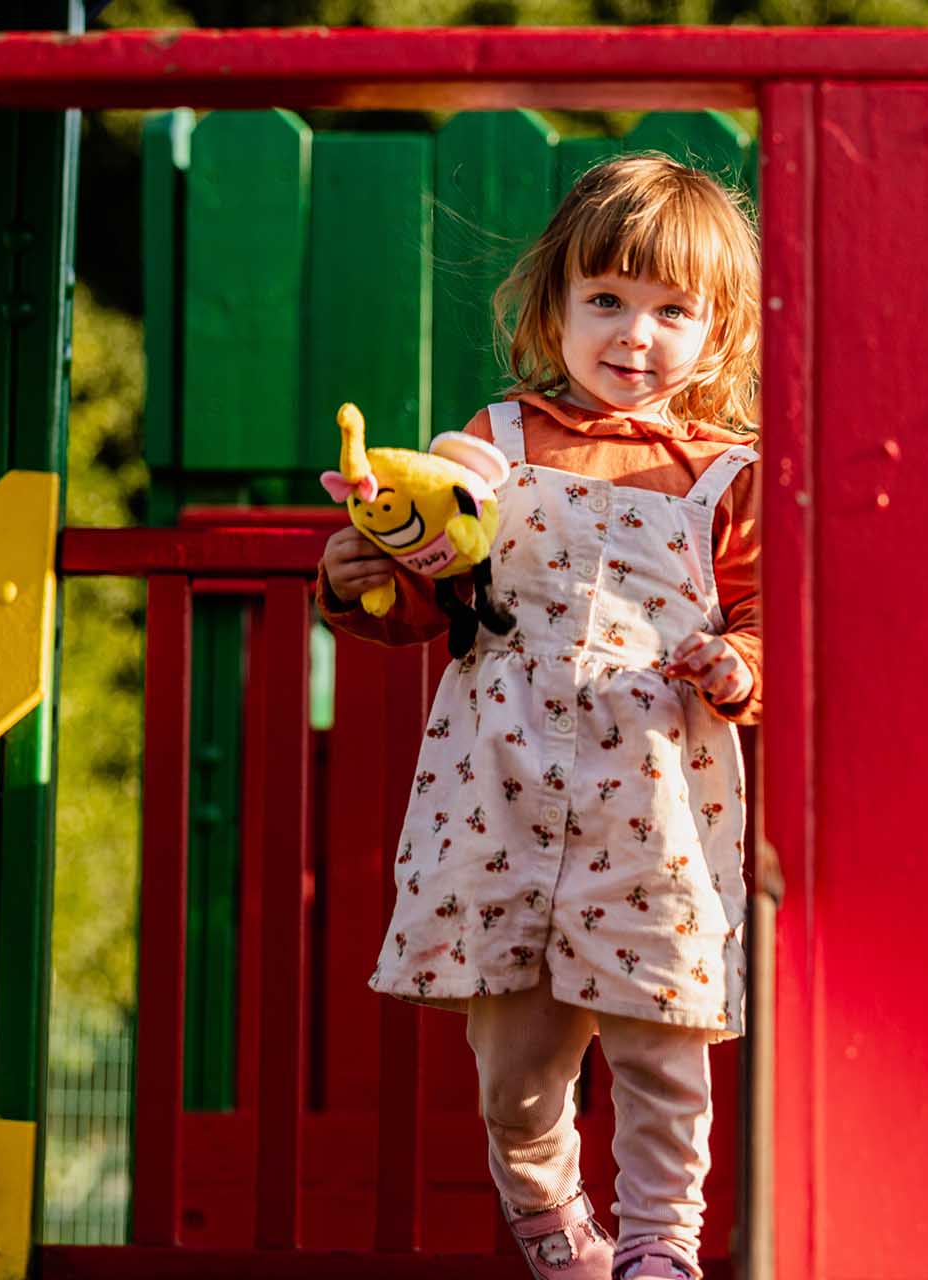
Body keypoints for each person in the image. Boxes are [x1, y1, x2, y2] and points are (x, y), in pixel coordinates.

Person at [317, 153, 762, 1280]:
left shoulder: (728, 477)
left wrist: (738, 664)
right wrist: (369, 567)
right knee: (515, 1065)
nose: (634, 334)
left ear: (720, 330)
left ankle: (661, 1244)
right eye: (605, 299)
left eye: (672, 311)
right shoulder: (495, 443)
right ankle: (556, 1223)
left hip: (655, 809)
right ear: (552, 305)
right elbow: (434, 576)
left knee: (665, 1047)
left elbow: (774, 625)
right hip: (501, 797)